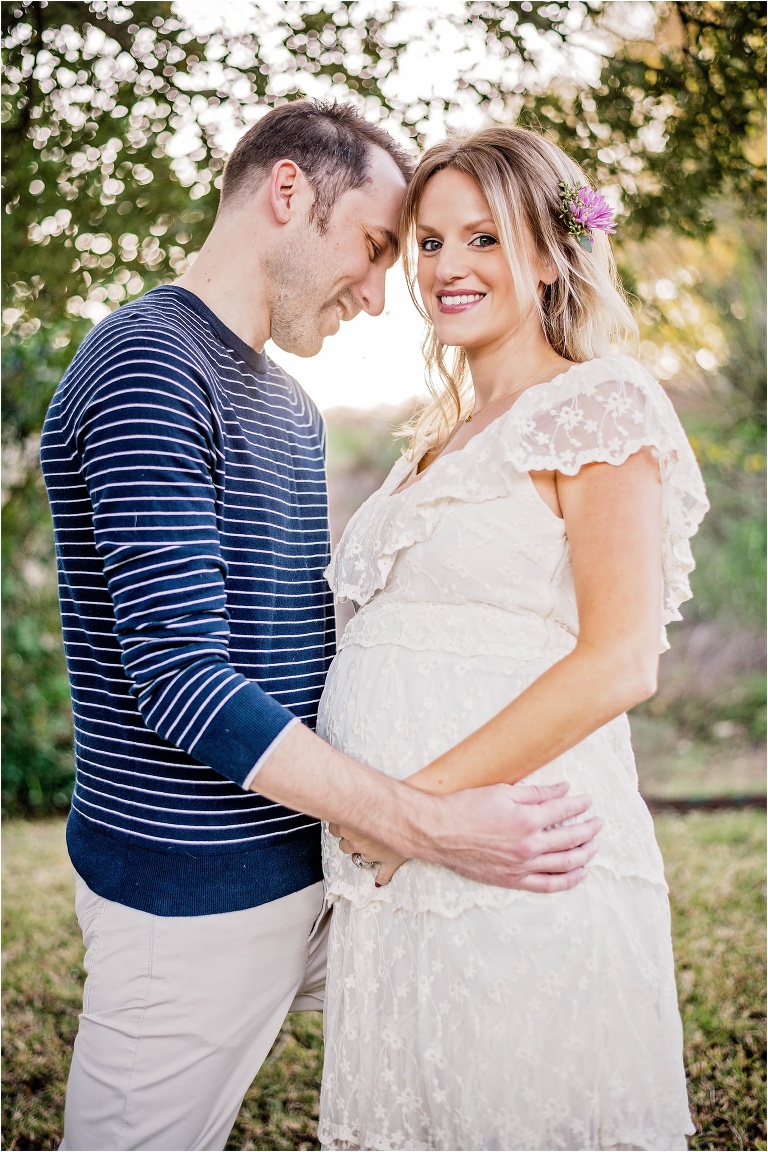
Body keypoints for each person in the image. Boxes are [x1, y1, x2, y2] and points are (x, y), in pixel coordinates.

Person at [41, 101, 600, 1152]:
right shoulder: (147, 365)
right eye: (380, 247)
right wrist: (422, 823)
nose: (386, 291)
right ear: (289, 193)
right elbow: (180, 681)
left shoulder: (288, 405)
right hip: (192, 901)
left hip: (325, 873)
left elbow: (319, 636)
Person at [317, 126, 709, 1151]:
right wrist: (385, 826)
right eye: (431, 244)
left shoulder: (595, 406)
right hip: (408, 860)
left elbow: (622, 659)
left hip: (507, 847)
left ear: (549, 254)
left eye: (485, 238)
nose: (449, 268)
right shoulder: (433, 440)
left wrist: (403, 814)